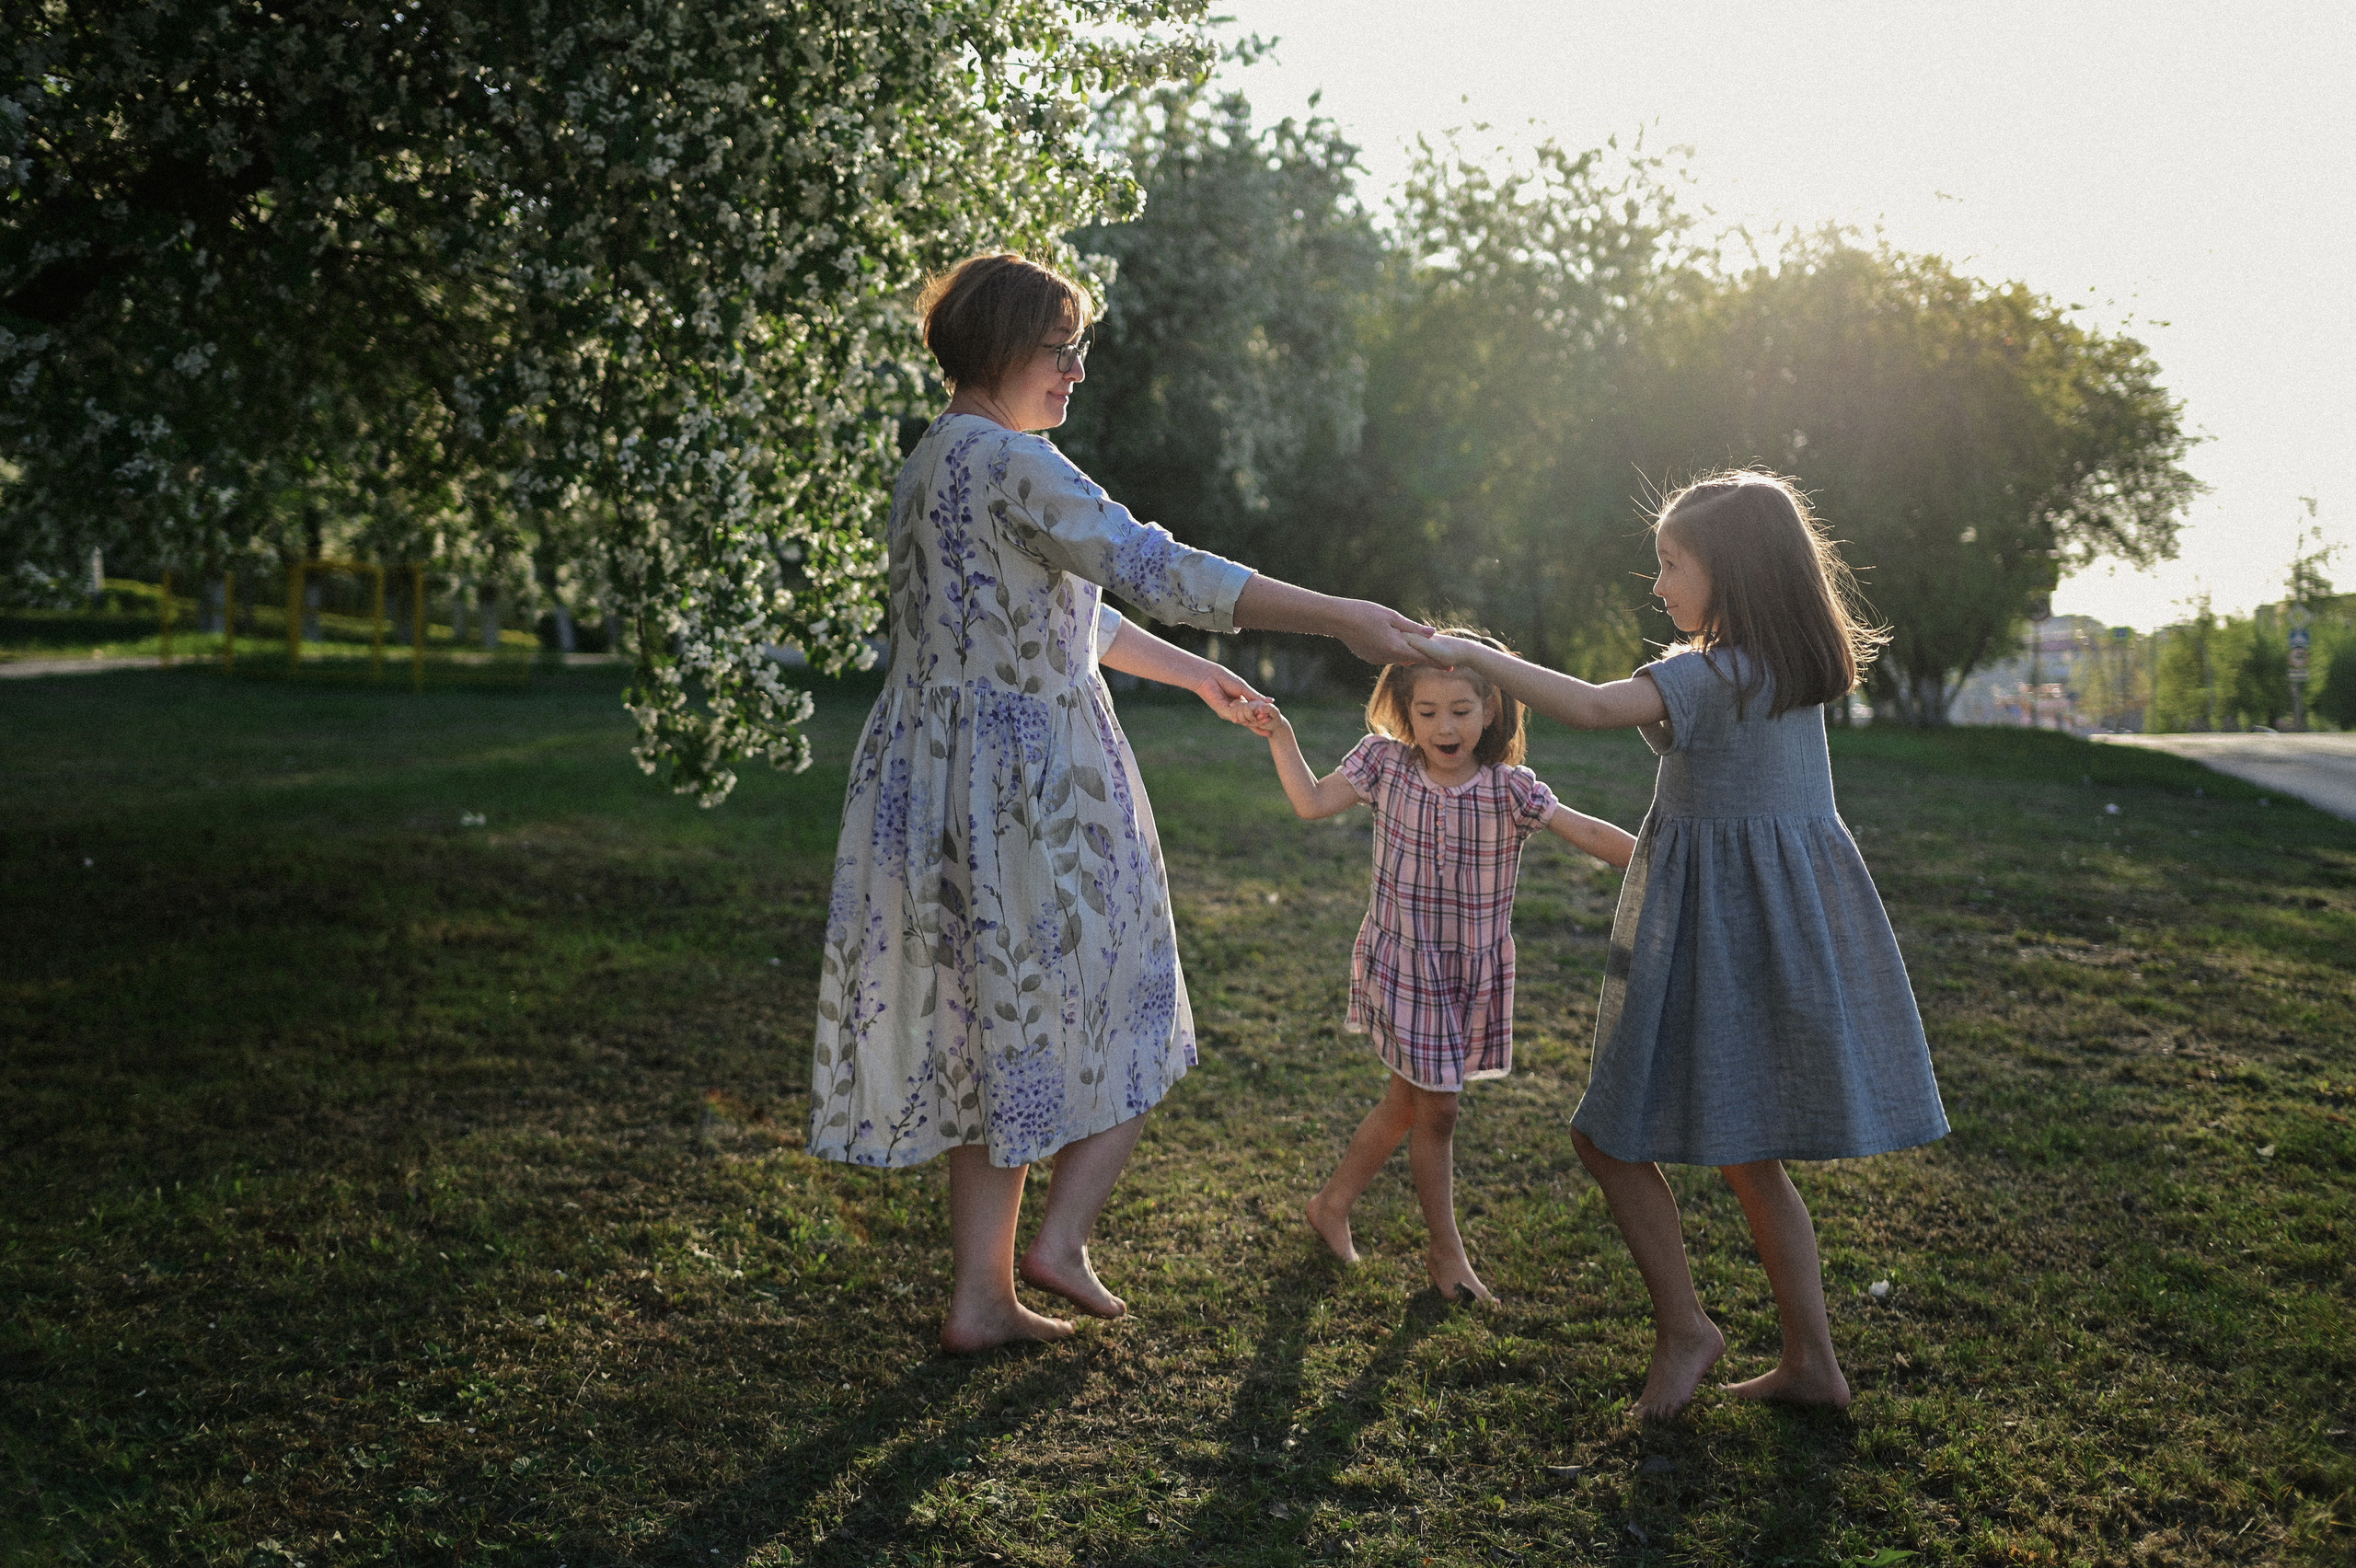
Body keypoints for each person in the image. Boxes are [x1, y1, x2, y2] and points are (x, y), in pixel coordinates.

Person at [809, 252, 1436, 1353]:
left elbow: (1067, 614)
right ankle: (1054, 1244)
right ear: (1000, 346)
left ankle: (983, 1296)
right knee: (1135, 991)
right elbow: (1153, 563)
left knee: (990, 1024)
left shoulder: (931, 465)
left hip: (937, 769)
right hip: (1027, 780)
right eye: (1060, 349)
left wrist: (1194, 674)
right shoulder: (1014, 461)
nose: (1076, 371)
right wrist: (1335, 615)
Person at [1407, 472, 1948, 1417]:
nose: (1656, 584)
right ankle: (1811, 1362)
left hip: (1718, 935)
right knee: (1750, 1155)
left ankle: (1687, 1328)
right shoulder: (1779, 671)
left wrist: (1469, 656)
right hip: (1770, 929)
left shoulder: (1712, 674)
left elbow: (1588, 706)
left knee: (1605, 1136)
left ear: (1730, 572)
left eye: (1670, 564)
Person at [1249, 629, 1636, 1303]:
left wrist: (1677, 862)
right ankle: (1445, 1254)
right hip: (1405, 966)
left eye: (1460, 709)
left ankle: (1332, 1204)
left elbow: (1592, 833)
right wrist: (1281, 734)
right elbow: (1310, 801)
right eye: (1426, 712)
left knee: (1410, 1099)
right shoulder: (1384, 766)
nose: (1443, 726)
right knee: (1441, 1111)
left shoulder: (1511, 790)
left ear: (1491, 710)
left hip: (1469, 975)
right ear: (1404, 712)